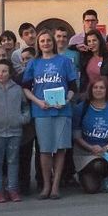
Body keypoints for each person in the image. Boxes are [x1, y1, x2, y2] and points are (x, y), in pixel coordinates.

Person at [21, 29, 78, 199]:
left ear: (53, 42)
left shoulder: (65, 62)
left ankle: (56, 185)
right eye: (42, 41)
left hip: (62, 110)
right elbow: (25, 87)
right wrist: (37, 101)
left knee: (61, 149)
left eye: (48, 40)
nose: (46, 43)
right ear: (38, 44)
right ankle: (46, 185)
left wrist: (66, 101)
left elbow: (73, 87)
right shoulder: (33, 63)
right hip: (41, 111)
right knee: (45, 150)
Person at [72, 77, 108, 194]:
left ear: (107, 90)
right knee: (91, 189)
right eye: (95, 87)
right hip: (86, 152)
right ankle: (84, 174)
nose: (98, 90)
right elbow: (76, 136)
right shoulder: (81, 108)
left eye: (102, 87)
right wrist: (91, 148)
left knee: (99, 164)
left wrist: (105, 148)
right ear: (90, 89)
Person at [0, 59, 30, 202]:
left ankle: (12, 189)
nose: (1, 74)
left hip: (15, 131)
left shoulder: (17, 89)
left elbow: (25, 107)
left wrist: (22, 119)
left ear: (10, 73)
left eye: (4, 71)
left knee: (13, 161)